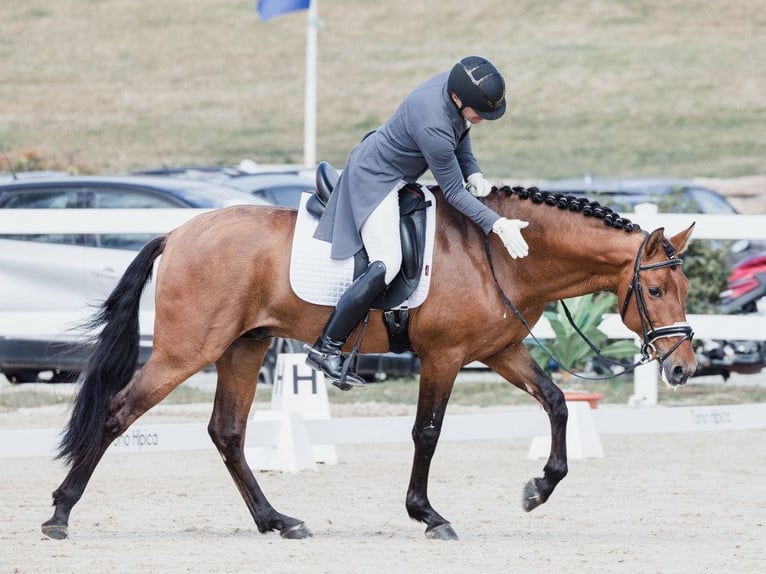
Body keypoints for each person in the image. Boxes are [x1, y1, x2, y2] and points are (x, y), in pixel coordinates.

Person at [306, 55, 530, 387]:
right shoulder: (433, 124)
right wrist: (496, 224)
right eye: (480, 112)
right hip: (376, 179)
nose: (482, 118)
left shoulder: (454, 90)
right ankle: (327, 347)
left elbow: (462, 134)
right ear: (457, 99)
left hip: (400, 176)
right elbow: (453, 192)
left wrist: (474, 171)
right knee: (388, 261)